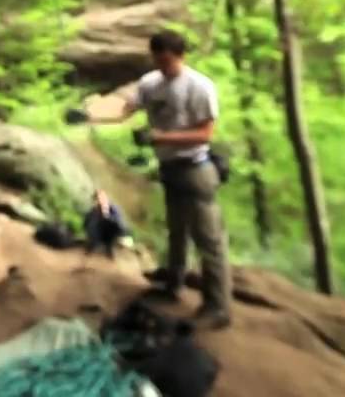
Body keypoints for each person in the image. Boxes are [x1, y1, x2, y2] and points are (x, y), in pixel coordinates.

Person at [82, 29, 232, 329]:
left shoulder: (199, 86)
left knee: (208, 238)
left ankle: (218, 306)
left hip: (196, 167)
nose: (163, 67)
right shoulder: (150, 83)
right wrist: (91, 115)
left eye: (168, 61)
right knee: (176, 230)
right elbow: (125, 111)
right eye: (158, 60)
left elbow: (205, 132)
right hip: (169, 169)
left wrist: (161, 136)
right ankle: (173, 284)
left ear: (180, 56)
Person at [84, 189, 129, 258]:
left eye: (103, 198)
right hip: (97, 235)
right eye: (98, 199)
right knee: (93, 224)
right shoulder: (92, 212)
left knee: (115, 227)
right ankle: (92, 246)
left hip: (110, 235)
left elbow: (121, 225)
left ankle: (109, 248)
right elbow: (86, 224)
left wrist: (107, 216)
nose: (101, 201)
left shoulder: (114, 208)